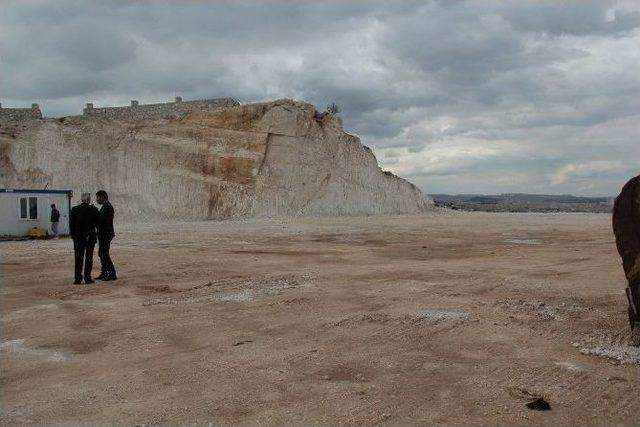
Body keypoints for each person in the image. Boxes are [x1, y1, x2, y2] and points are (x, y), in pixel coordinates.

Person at [612, 174, 640, 346]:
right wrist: (634, 255)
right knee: (638, 284)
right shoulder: (633, 189)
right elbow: (623, 225)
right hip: (635, 250)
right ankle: (638, 324)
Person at [70, 193, 99, 285]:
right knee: (89, 258)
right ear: (89, 200)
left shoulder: (74, 209)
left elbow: (71, 225)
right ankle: (87, 278)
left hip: (78, 238)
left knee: (78, 259)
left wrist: (74, 237)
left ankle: (77, 279)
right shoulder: (93, 209)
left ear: (82, 200)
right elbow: (97, 223)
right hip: (90, 237)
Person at [96, 190, 117, 281]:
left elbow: (103, 222)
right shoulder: (106, 206)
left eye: (97, 197)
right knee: (102, 253)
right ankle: (105, 272)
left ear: (102, 197)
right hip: (104, 234)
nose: (97, 199)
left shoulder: (107, 207)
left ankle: (112, 273)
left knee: (104, 254)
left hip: (106, 234)